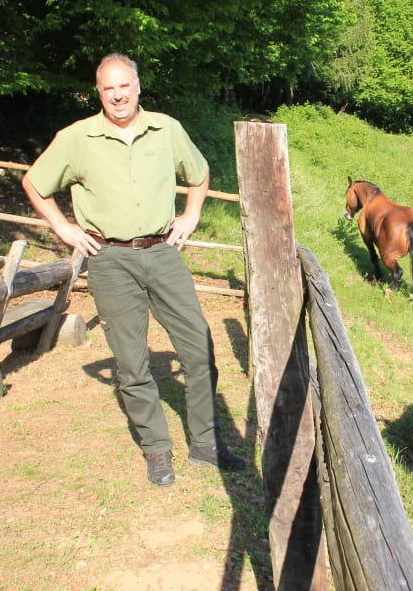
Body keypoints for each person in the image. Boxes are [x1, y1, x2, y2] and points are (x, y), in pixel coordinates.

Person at [22, 53, 246, 487]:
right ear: (99, 92)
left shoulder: (166, 129)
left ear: (138, 87)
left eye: (124, 85)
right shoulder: (77, 137)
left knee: (199, 347)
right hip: (109, 260)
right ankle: (157, 450)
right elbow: (34, 182)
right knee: (131, 361)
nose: (118, 94)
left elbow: (198, 175)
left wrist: (191, 216)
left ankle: (205, 443)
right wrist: (65, 229)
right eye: (109, 88)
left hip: (163, 252)